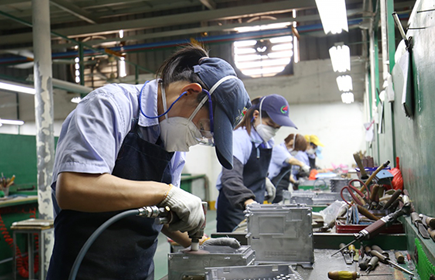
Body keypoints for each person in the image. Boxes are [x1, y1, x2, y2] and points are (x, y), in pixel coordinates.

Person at [46, 45, 251, 280]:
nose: (199, 138)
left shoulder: (172, 138)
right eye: (204, 128)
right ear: (190, 92)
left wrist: (201, 241)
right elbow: (73, 188)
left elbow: (162, 212)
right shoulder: (109, 105)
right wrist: (164, 191)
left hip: (138, 270)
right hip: (83, 269)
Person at [215, 94, 297, 232]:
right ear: (256, 115)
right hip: (235, 210)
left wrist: (264, 179)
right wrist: (248, 202)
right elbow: (230, 178)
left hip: (254, 206)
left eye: (277, 128)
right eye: (270, 124)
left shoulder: (266, 141)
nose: (273, 130)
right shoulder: (239, 138)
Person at [268, 133, 309, 203]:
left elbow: (285, 173)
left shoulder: (286, 152)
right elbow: (290, 160)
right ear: (291, 142)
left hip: (278, 185)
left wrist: (295, 182)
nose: (297, 152)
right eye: (297, 149)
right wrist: (302, 165)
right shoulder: (279, 149)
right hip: (270, 183)